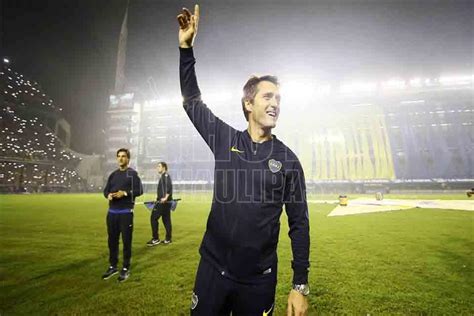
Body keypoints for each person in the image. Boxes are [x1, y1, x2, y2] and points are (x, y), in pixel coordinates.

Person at [177, 5, 310, 315]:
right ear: (249, 103)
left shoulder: (288, 162)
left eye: (278, 98)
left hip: (257, 282)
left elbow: (299, 224)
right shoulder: (226, 141)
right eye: (268, 97)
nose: (275, 103)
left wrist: (299, 284)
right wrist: (186, 49)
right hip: (212, 270)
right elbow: (192, 102)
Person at [102, 148, 143, 282]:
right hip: (112, 213)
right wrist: (108, 195)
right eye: (118, 156)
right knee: (112, 241)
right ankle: (113, 266)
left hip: (125, 213)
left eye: (123, 156)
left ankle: (125, 268)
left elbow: (140, 190)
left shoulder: (132, 174)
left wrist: (124, 193)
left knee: (126, 242)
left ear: (128, 159)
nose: (120, 159)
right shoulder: (113, 175)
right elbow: (105, 191)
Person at [147, 162, 173, 246]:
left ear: (164, 167)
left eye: (159, 166)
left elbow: (168, 188)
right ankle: (168, 239)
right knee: (166, 220)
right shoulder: (163, 176)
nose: (157, 168)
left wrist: (165, 198)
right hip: (165, 202)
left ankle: (155, 239)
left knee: (153, 218)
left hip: (163, 202)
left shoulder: (165, 176)